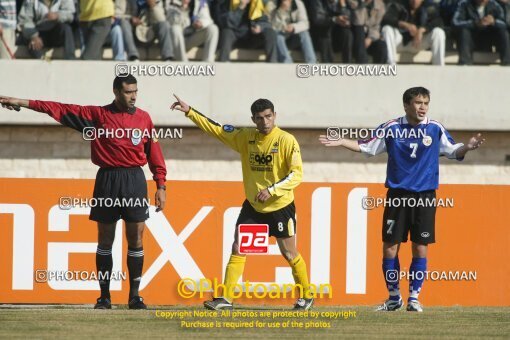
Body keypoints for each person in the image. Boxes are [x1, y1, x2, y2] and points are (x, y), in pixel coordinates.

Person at [0, 74, 167, 310]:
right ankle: (105, 297)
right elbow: (57, 108)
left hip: (134, 179)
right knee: (105, 240)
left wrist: (161, 184)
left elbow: (154, 153)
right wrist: (22, 102)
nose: (133, 96)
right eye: (129, 92)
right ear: (116, 92)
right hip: (107, 180)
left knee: (136, 238)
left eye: (135, 91)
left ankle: (134, 296)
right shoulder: (97, 116)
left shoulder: (144, 118)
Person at [319, 87, 484, 312]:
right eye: (418, 102)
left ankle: (414, 298)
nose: (422, 107)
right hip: (398, 197)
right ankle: (394, 298)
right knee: (390, 248)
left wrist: (468, 147)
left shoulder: (435, 128)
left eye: (426, 102)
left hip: (425, 197)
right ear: (406, 105)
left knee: (420, 248)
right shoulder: (391, 128)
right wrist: (341, 141)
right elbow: (365, 146)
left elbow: (454, 151)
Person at [171, 95, 314, 310]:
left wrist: (272, 190)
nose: (265, 122)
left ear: (275, 116)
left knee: (289, 253)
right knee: (239, 248)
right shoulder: (245, 137)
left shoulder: (286, 140)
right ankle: (226, 299)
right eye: (259, 118)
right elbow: (216, 129)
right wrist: (190, 111)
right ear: (253, 119)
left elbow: (297, 175)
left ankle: (307, 295)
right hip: (254, 207)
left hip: (280, 207)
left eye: (268, 116)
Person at [382, 0, 446, 65]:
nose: (415, 1)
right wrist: (404, 24)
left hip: (418, 42)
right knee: (387, 29)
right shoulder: (398, 4)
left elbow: (439, 21)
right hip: (400, 42)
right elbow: (386, 19)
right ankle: (391, 64)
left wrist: (422, 30)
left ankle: (439, 66)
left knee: (439, 32)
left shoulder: (429, 6)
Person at [453, 0, 510, 65]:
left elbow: (505, 24)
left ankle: (507, 63)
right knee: (464, 31)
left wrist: (494, 22)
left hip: (489, 38)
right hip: (471, 38)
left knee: (503, 31)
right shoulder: (464, 4)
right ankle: (465, 63)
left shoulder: (494, 4)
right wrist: (475, 23)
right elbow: (455, 22)